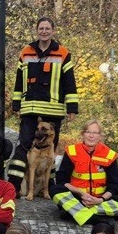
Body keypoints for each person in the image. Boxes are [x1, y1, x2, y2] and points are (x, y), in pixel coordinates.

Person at [7, 17, 78, 194]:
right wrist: (16, 102)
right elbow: (18, 79)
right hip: (30, 108)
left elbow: (70, 81)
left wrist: (72, 107)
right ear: (37, 30)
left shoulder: (63, 53)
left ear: (53, 31)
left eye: (47, 28)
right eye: (41, 28)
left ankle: (49, 186)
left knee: (50, 149)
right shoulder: (26, 52)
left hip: (52, 110)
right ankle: (14, 184)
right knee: (23, 145)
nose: (44, 31)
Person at [51, 119, 118, 225]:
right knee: (55, 189)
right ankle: (96, 217)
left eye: (95, 133)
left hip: (100, 200)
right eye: (88, 132)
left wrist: (99, 200)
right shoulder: (72, 151)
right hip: (77, 197)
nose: (91, 136)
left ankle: (76, 213)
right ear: (83, 134)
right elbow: (62, 180)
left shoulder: (109, 154)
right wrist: (81, 194)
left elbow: (115, 186)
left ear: (100, 136)